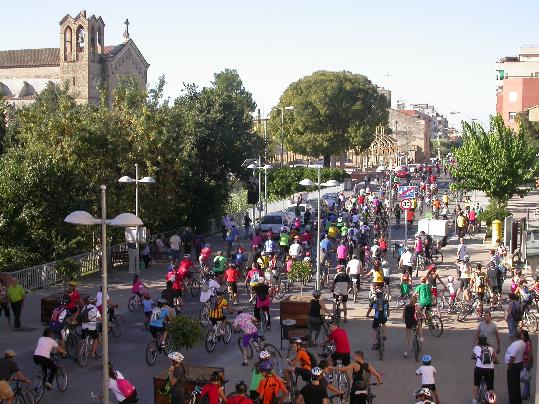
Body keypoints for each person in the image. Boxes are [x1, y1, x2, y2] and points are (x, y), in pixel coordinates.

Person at [472, 336, 498, 404]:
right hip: (490, 369)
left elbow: (473, 356)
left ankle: (474, 401)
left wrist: (474, 357)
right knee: (490, 387)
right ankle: (492, 401)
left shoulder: (476, 348)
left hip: (479, 368)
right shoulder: (490, 348)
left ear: (479, 341)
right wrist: (496, 362)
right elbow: (495, 358)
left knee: (476, 384)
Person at [505, 330, 526, 404]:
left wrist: (509, 366)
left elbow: (512, 357)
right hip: (519, 363)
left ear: (514, 336)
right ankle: (517, 400)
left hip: (514, 366)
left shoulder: (515, 345)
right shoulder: (522, 343)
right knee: (516, 384)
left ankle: (513, 401)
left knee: (512, 385)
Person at [521, 330, 533, 400]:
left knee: (525, 378)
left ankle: (525, 394)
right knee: (526, 377)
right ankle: (527, 393)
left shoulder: (527, 343)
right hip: (525, 362)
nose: (521, 336)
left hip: (527, 363)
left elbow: (530, 354)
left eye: (522, 335)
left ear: (525, 336)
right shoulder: (523, 342)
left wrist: (526, 364)